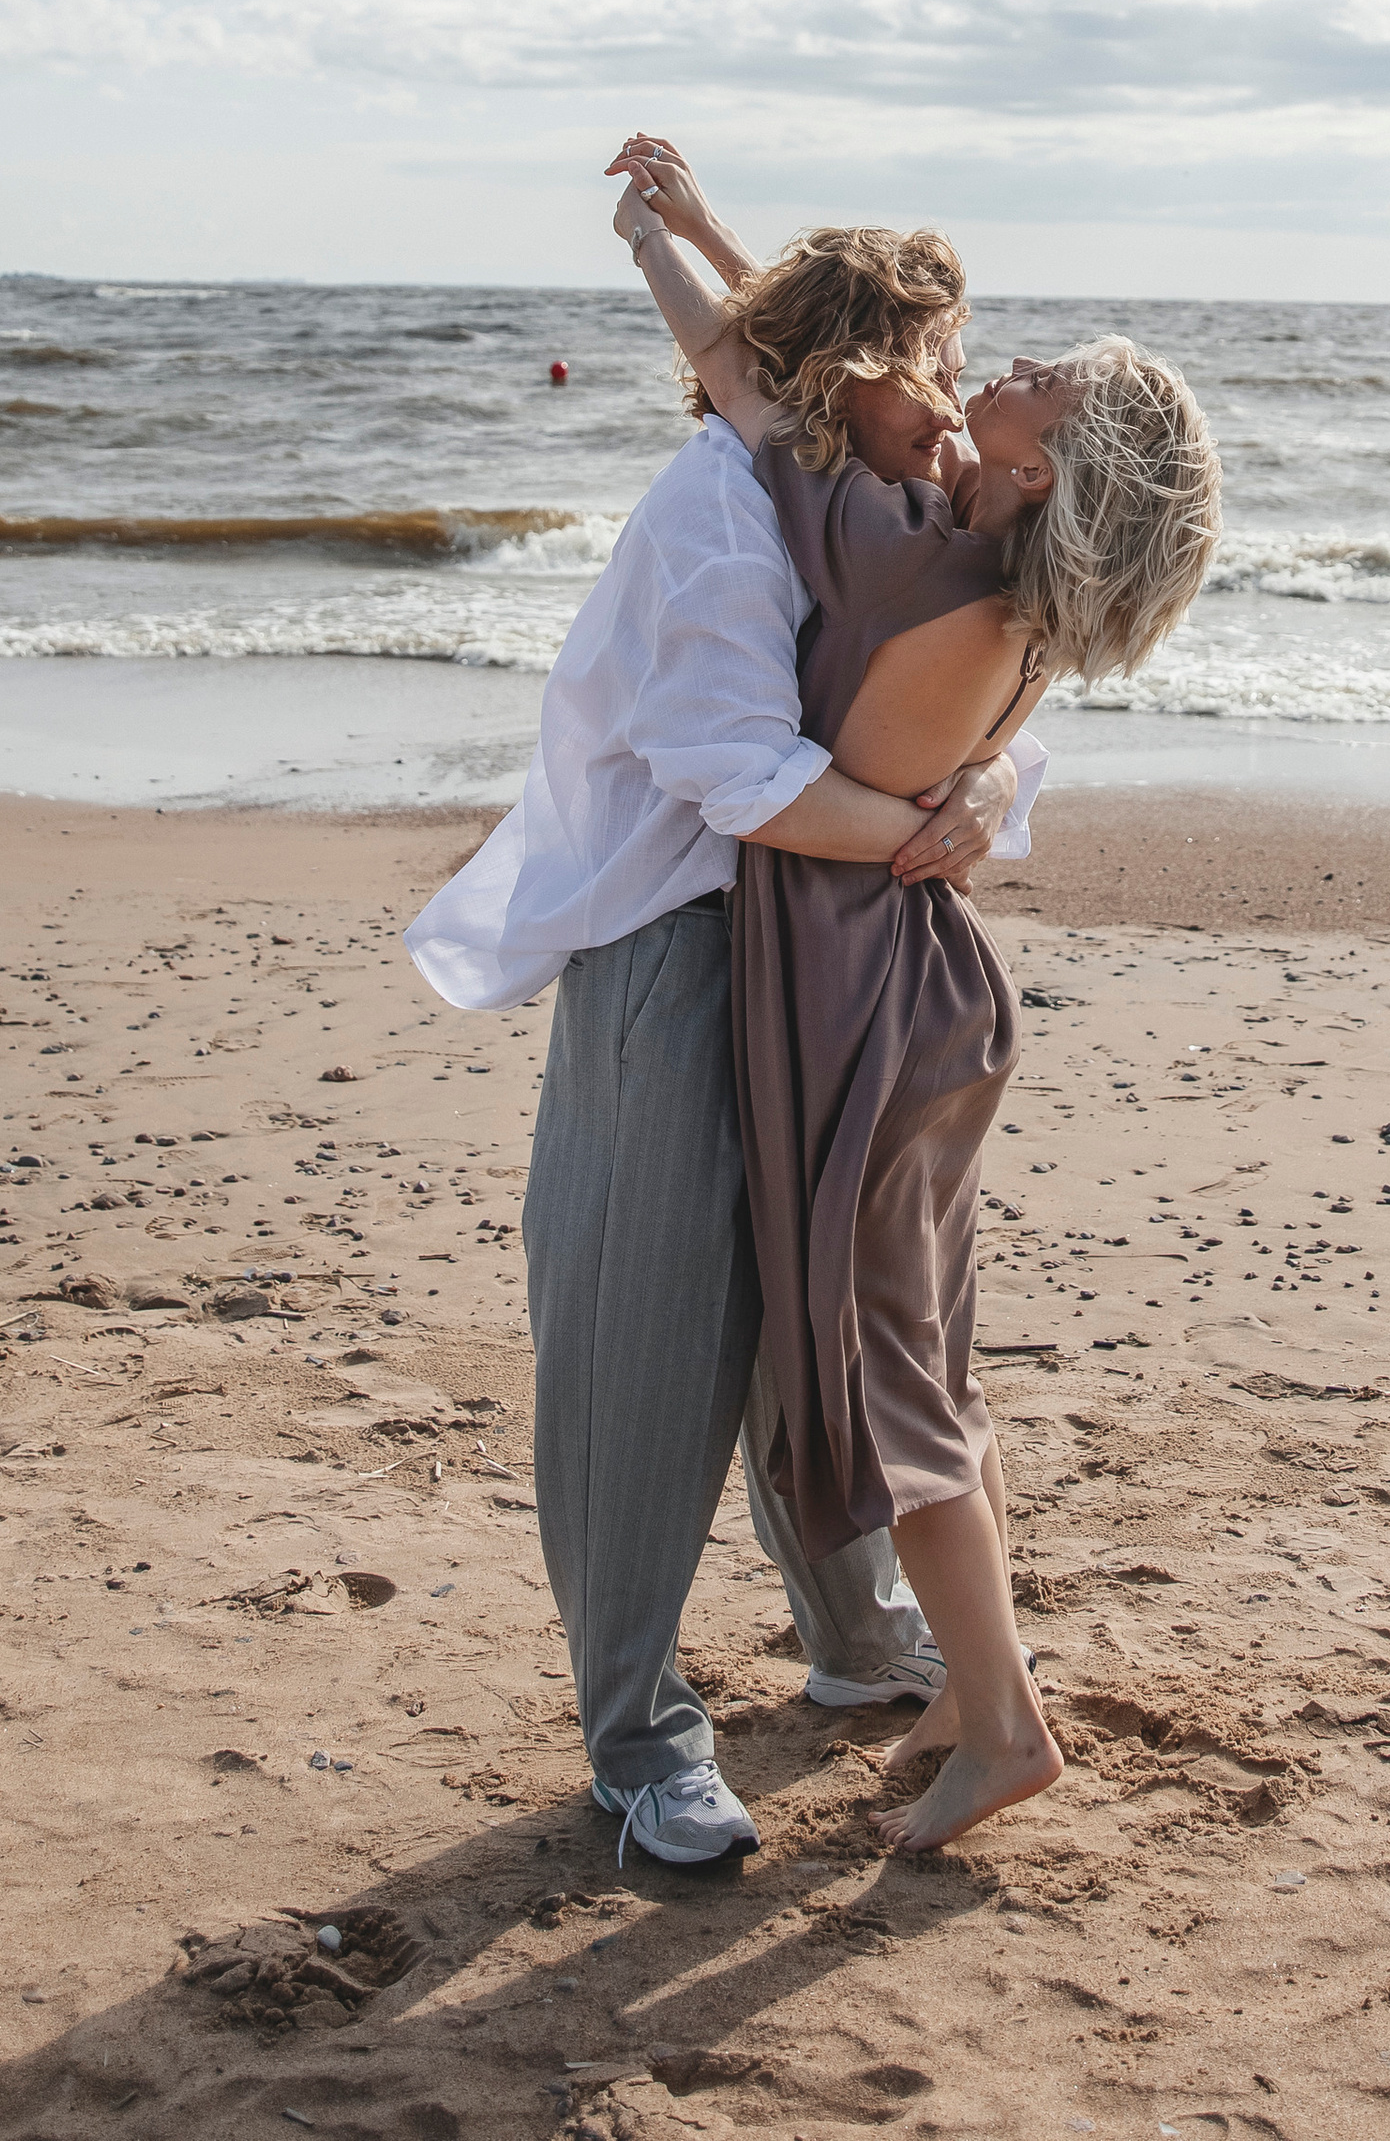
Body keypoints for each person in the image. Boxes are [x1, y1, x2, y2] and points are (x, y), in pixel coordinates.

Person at [404, 162, 1045, 1870]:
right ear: (853, 376)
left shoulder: (866, 490)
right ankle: (638, 1736)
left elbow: (951, 699)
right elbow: (735, 773)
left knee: (811, 1313)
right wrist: (932, 831)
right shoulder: (721, 504)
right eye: (935, 357)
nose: (959, 393)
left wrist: (982, 791)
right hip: (681, 944)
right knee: (647, 1339)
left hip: (822, 946)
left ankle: (850, 1645)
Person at [609, 130, 1222, 1850]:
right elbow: (818, 370)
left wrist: (659, 241)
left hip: (863, 998)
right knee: (933, 1364)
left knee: (898, 1382)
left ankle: (1005, 1726)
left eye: (1040, 385)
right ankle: (969, 1679)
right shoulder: (1003, 586)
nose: (1002, 370)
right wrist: (700, 222)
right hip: (927, 995)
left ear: (1051, 467)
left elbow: (757, 380)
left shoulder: (903, 557)